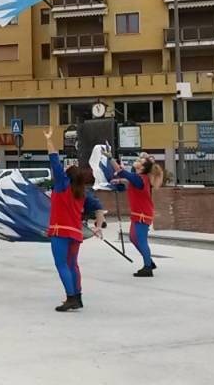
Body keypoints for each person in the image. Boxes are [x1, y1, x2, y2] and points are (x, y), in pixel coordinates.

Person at [44, 128, 106, 312]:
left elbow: (53, 159)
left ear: (67, 176)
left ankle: (70, 297)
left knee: (61, 264)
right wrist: (99, 223)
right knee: (72, 264)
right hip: (75, 232)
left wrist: (49, 140)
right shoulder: (82, 193)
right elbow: (98, 207)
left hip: (60, 231)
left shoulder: (63, 186)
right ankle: (77, 296)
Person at [110, 155, 157, 277]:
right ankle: (149, 261)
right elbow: (128, 179)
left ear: (143, 167)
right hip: (139, 213)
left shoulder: (140, 178)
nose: (137, 161)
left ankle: (148, 267)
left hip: (142, 214)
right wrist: (120, 181)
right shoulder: (140, 178)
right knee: (133, 238)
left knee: (141, 241)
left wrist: (110, 159)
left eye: (140, 161)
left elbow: (122, 173)